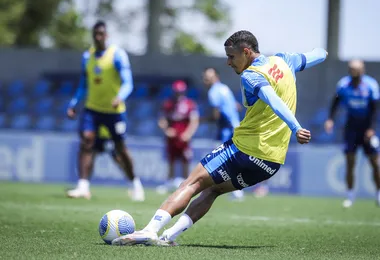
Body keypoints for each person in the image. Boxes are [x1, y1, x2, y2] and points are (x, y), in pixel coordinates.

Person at [112, 30, 327, 246]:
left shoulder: (251, 75)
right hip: (271, 162)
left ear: (246, 51)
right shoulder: (285, 61)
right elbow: (318, 54)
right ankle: (170, 236)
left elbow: (272, 99)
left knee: (192, 182)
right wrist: (323, 52)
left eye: (231, 56)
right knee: (213, 189)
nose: (228, 62)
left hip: (244, 150)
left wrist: (296, 127)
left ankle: (150, 230)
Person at [66, 20, 145, 201]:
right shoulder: (87, 56)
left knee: (120, 148)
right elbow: (83, 85)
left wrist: (120, 97)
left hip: (114, 112)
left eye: (101, 34)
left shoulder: (117, 55)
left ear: (106, 35)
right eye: (95, 34)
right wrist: (73, 104)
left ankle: (135, 183)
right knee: (86, 142)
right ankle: (83, 186)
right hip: (92, 109)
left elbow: (128, 82)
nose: (98, 37)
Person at [324, 59, 380, 208]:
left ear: (362, 70)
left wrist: (371, 129)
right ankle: (349, 196)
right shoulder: (343, 84)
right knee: (350, 161)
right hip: (351, 127)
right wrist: (330, 119)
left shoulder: (371, 85)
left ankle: (378, 193)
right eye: (351, 69)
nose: (353, 71)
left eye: (356, 69)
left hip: (367, 127)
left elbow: (375, 109)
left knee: (375, 163)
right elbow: (335, 103)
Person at [202, 67, 244, 201]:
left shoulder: (213, 92)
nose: (206, 80)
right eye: (205, 78)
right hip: (236, 127)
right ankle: (234, 190)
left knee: (221, 161)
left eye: (209, 77)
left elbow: (216, 114)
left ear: (216, 77)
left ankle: (232, 190)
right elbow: (237, 106)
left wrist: (201, 119)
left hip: (226, 129)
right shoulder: (225, 88)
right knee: (231, 160)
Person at [157, 80, 200, 193]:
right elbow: (162, 120)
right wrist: (166, 130)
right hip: (172, 137)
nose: (178, 94)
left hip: (184, 136)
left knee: (185, 160)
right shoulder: (168, 104)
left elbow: (194, 121)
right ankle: (169, 182)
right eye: (176, 92)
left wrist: (188, 134)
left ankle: (186, 184)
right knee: (171, 159)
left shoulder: (190, 104)